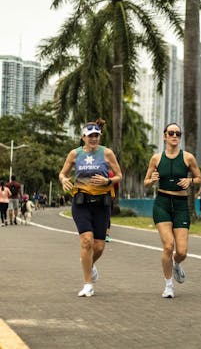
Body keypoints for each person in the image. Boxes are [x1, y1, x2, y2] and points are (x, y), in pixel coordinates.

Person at [59, 119, 122, 297]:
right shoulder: (74, 154)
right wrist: (64, 179)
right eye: (90, 136)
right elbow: (63, 173)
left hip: (102, 203)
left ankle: (90, 264)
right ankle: (88, 284)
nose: (93, 139)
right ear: (83, 137)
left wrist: (107, 181)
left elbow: (119, 175)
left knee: (99, 246)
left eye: (96, 136)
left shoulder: (107, 153)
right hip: (81, 203)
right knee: (86, 241)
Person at [143, 122, 201, 298]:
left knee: (182, 251)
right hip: (162, 203)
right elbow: (146, 182)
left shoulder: (188, 158)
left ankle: (176, 264)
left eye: (178, 133)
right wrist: (152, 180)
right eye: (171, 133)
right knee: (168, 246)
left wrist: (190, 181)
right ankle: (168, 285)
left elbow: (199, 178)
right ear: (165, 136)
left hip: (181, 205)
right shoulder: (156, 158)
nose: (174, 136)